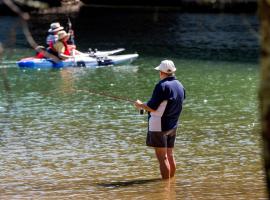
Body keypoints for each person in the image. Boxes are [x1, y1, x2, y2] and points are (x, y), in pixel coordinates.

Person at [134, 60, 185, 179]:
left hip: (159, 126)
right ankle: (170, 185)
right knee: (170, 155)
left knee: (163, 158)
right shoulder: (180, 86)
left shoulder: (161, 86)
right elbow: (166, 104)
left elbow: (151, 107)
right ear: (173, 72)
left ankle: (165, 187)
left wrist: (140, 105)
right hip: (173, 125)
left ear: (161, 72)